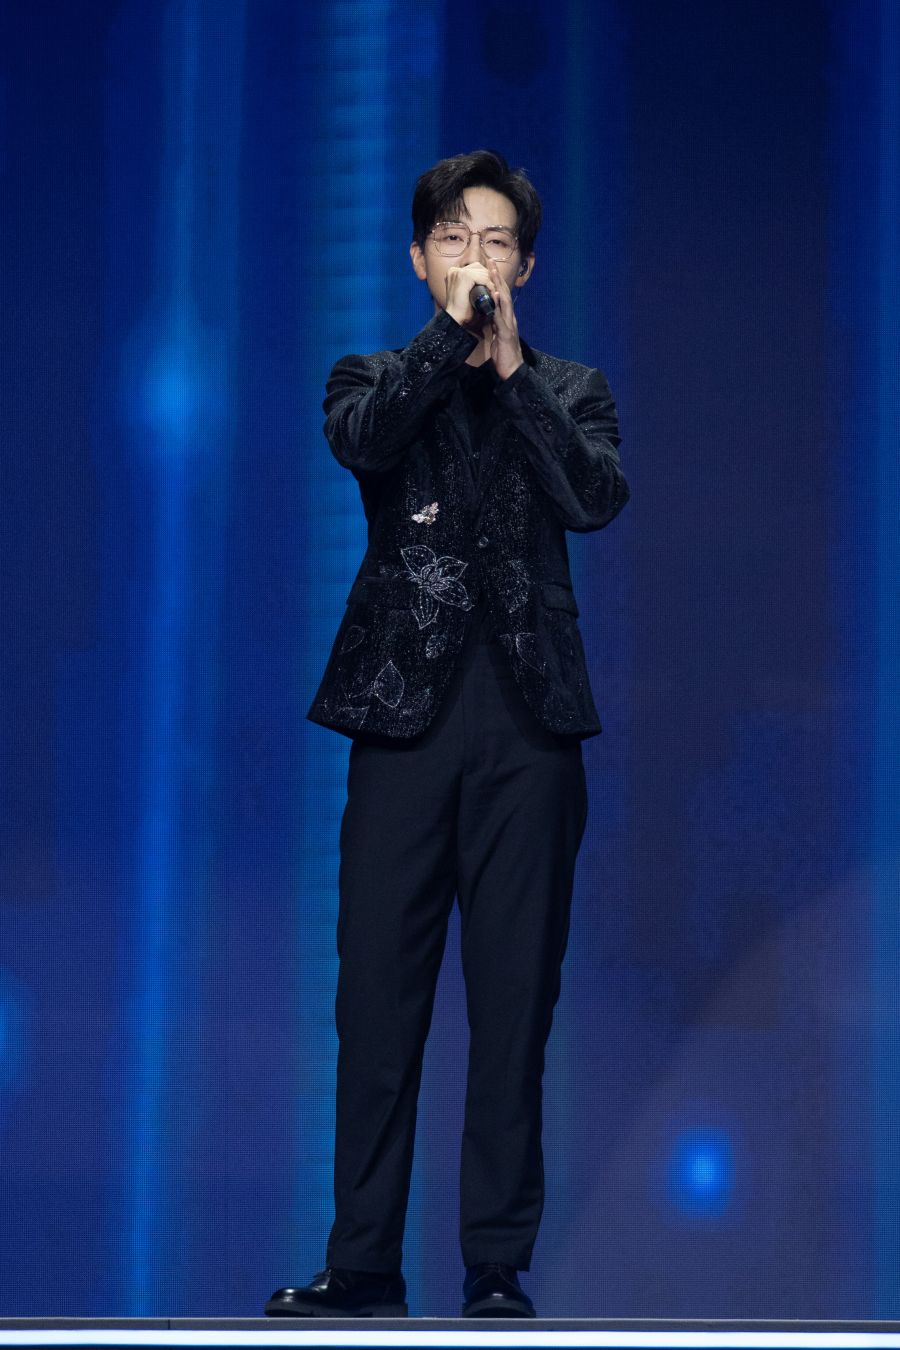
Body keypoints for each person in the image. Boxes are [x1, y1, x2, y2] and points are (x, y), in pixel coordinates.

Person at [266, 149, 629, 1320]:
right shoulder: (371, 375)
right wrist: (451, 343)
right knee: (377, 1005)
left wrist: (511, 367)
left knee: (514, 1005)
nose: (479, 260)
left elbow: (594, 499)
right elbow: (366, 443)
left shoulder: (570, 388)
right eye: (456, 241)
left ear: (528, 265)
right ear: (421, 259)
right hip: (401, 728)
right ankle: (364, 1264)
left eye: (498, 243)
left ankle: (495, 1266)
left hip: (531, 732)